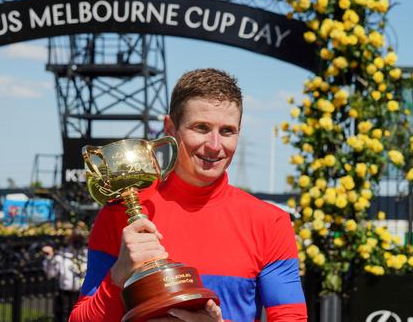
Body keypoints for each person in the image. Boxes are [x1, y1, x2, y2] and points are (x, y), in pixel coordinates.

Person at [70, 68, 307, 321]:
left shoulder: (269, 223)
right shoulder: (121, 215)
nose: (215, 146)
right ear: (170, 128)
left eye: (227, 131)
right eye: (201, 128)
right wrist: (118, 276)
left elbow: (291, 317)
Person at [43, 228, 89, 322]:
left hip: (82, 294)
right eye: (75, 240)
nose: (78, 243)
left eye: (80, 240)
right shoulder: (62, 255)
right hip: (65, 295)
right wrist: (49, 258)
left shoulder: (87, 254)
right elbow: (50, 274)